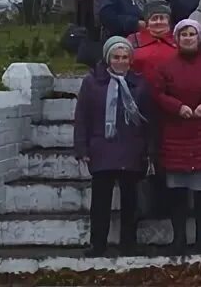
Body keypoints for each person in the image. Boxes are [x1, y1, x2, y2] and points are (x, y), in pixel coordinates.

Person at [154, 19, 201, 254]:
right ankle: (178, 239)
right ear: (176, 39)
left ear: (199, 39)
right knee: (177, 190)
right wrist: (177, 107)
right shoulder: (165, 67)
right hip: (176, 132)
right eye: (183, 34)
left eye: (192, 34)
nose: (188, 38)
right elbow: (157, 94)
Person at [74, 36, 152, 256]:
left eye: (125, 57)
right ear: (108, 58)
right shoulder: (92, 82)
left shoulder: (140, 83)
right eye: (116, 57)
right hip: (102, 146)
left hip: (131, 147)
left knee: (130, 200)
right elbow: (82, 116)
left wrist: (149, 149)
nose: (121, 61)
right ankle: (97, 244)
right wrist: (82, 147)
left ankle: (128, 243)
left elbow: (149, 119)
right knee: (100, 201)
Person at [128, 0, 177, 88]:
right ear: (147, 22)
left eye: (162, 18)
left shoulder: (178, 39)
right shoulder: (133, 40)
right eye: (154, 18)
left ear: (168, 21)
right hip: (140, 92)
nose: (158, 22)